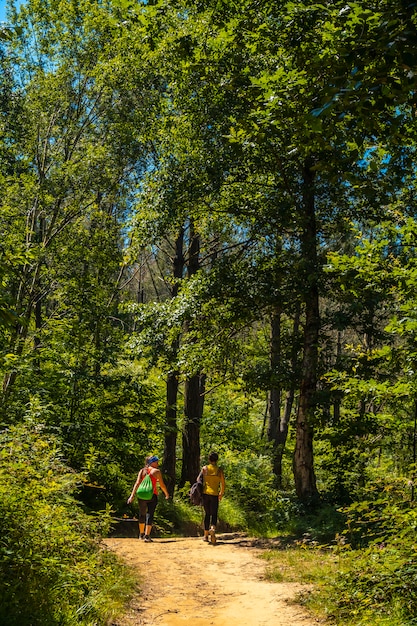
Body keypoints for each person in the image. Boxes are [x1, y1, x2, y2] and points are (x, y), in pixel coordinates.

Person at [127, 455, 169, 542]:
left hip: (141, 495)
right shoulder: (156, 472)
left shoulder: (142, 471)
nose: (158, 464)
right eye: (156, 462)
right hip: (152, 495)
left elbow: (137, 483)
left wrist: (132, 495)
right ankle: (147, 535)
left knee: (142, 514)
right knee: (150, 514)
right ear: (152, 463)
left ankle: (141, 534)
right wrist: (166, 494)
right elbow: (162, 485)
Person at [200, 451, 225, 545]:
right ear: (217, 460)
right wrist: (221, 493)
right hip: (215, 494)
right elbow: (223, 483)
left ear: (209, 459)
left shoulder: (205, 469)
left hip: (205, 493)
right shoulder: (219, 470)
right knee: (214, 514)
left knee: (207, 514)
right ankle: (213, 529)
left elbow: (200, 481)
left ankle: (206, 535)